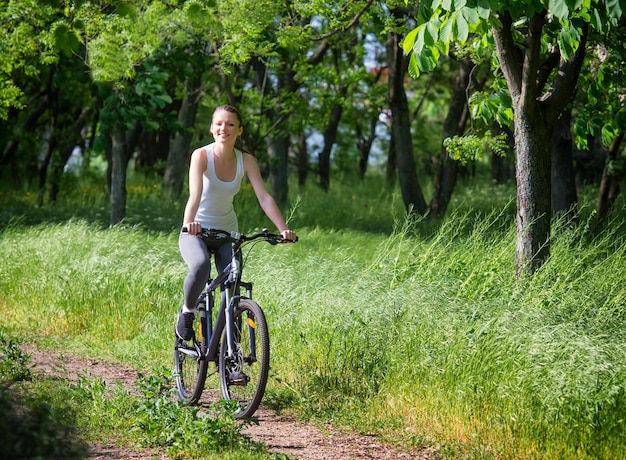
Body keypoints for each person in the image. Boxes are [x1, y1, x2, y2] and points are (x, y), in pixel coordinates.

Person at [176, 104, 297, 341]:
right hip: (196, 231)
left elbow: (264, 197)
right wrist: (189, 224)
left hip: (227, 234)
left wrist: (283, 229)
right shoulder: (201, 156)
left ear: (239, 130)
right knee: (201, 266)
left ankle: (230, 345)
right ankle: (188, 311)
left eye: (230, 124)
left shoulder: (247, 161)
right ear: (212, 128)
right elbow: (195, 195)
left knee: (232, 281)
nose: (224, 128)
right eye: (219, 123)